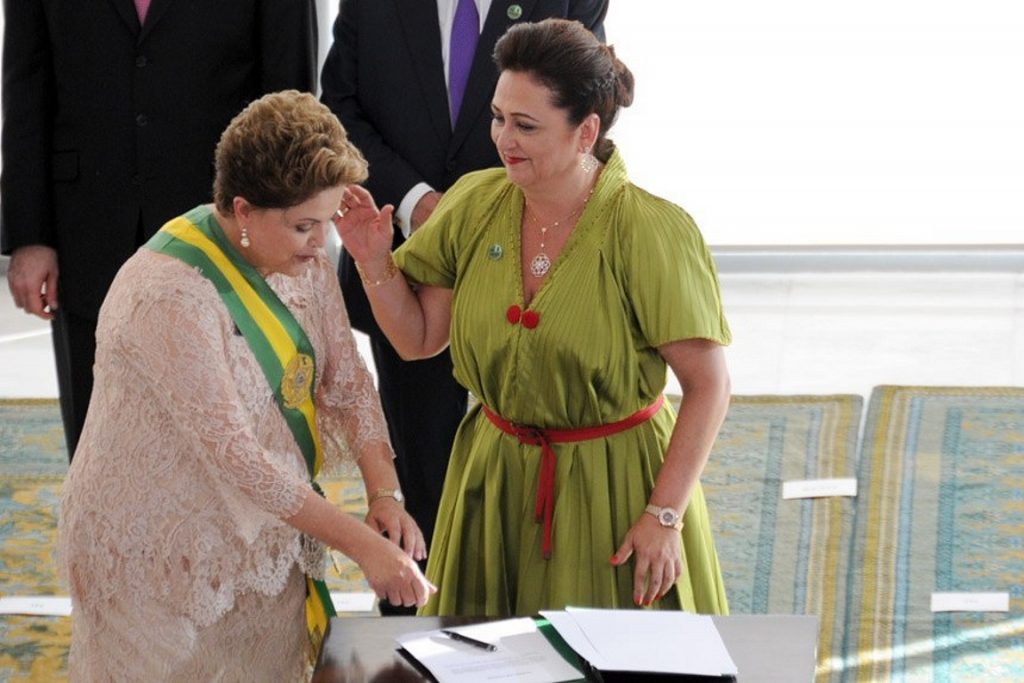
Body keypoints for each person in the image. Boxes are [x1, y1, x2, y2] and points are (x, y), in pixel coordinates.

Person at [336, 18, 733, 616]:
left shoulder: (649, 229)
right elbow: (419, 339)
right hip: (492, 483)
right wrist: (373, 261)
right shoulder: (472, 202)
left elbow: (710, 385)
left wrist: (664, 516)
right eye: (498, 117)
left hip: (613, 490)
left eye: (525, 125)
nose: (503, 139)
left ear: (586, 132)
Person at [58, 91, 435, 680]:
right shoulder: (168, 293)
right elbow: (235, 456)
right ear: (242, 210)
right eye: (303, 226)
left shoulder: (301, 258)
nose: (319, 244)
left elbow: (348, 379)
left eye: (325, 221)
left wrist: (385, 494)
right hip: (160, 552)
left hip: (265, 534)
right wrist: (362, 546)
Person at [320, 0, 608, 614]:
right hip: (401, 251)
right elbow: (340, 110)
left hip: (534, 252)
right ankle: (415, 612)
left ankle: (531, 610)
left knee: (534, 449)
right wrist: (421, 204)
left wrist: (495, 210)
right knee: (421, 454)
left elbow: (584, 108)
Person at [1, 0, 318, 458]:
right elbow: (26, 88)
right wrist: (31, 235)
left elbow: (290, 99)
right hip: (87, 234)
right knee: (100, 448)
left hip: (225, 234)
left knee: (222, 453)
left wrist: (287, 228)